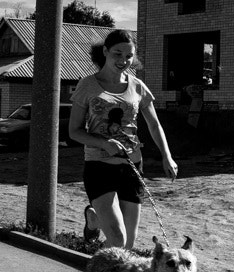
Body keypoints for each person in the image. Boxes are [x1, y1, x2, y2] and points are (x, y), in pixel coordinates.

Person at [69, 29, 178, 249]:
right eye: (117, 54)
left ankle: (95, 219)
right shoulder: (87, 86)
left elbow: (154, 125)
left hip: (132, 167)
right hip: (99, 167)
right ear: (105, 51)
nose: (123, 60)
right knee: (117, 239)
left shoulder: (137, 86)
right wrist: (103, 143)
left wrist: (167, 156)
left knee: (127, 245)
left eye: (129, 56)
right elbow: (74, 131)